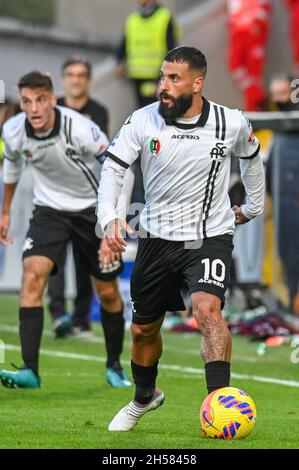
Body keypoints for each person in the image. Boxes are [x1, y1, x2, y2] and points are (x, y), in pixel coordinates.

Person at [98, 46, 265, 431]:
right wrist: (110, 218)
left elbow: (251, 157)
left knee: (208, 310)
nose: (164, 86)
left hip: (209, 234)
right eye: (162, 77)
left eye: (174, 79)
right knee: (143, 330)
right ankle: (144, 397)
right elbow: (114, 168)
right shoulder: (143, 120)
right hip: (157, 237)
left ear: (197, 83)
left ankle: (219, 407)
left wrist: (253, 207)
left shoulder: (230, 123)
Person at [0, 71, 132, 389]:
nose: (34, 109)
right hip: (50, 210)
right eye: (27, 101)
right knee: (32, 276)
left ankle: (115, 366)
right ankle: (30, 370)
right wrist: (5, 210)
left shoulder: (81, 129)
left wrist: (112, 220)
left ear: (53, 100)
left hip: (92, 210)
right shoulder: (14, 129)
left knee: (108, 292)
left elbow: (119, 169)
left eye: (41, 100)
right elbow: (13, 164)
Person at [48, 56, 110, 338]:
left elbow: (95, 153)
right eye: (70, 74)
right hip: (55, 195)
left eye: (80, 75)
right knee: (54, 259)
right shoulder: (52, 107)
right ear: (64, 79)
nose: (75, 80)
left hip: (87, 197)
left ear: (88, 80)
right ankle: (58, 314)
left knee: (85, 261)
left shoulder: (99, 111)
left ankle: (81, 317)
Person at [267, 74, 299, 314]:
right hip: (284, 206)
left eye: (283, 94)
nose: (279, 100)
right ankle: (291, 303)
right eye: (275, 95)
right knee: (288, 257)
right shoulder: (279, 130)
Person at [115, 0, 179, 107]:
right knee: (142, 113)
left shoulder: (164, 17)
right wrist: (119, 60)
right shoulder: (132, 19)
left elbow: (171, 50)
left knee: (155, 112)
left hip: (155, 77)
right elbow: (124, 43)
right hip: (136, 77)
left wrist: (164, 79)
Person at [227, 0, 272, 111]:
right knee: (239, 69)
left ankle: (257, 107)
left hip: (253, 34)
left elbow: (263, 10)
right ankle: (259, 101)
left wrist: (257, 25)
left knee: (254, 75)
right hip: (239, 34)